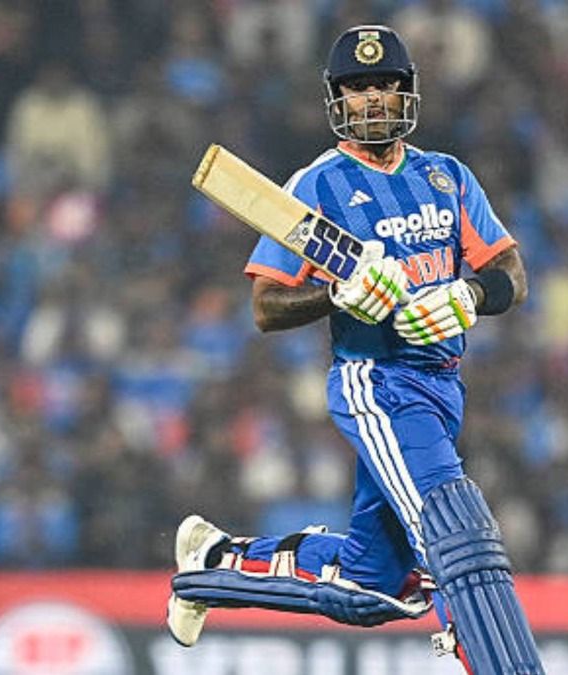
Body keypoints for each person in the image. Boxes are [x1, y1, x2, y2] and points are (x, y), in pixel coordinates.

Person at [165, 25, 546, 674]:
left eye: (385, 86)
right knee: (452, 530)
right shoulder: (317, 186)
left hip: (442, 384)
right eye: (357, 89)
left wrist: (470, 296)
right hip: (378, 382)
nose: (372, 99)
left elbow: (512, 271)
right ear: (337, 100)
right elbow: (266, 308)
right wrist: (338, 294)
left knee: (376, 586)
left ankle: (214, 563)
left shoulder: (446, 176)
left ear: (407, 94)